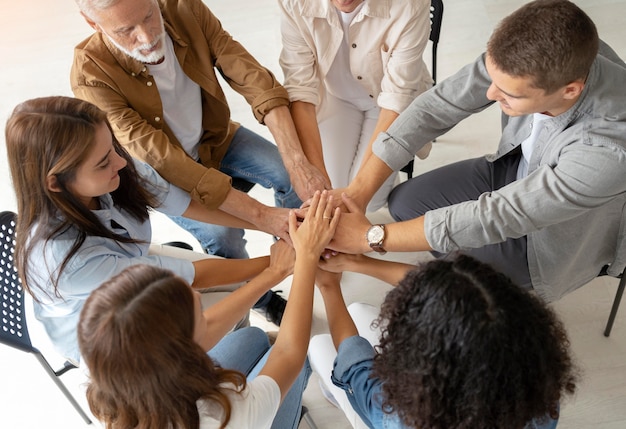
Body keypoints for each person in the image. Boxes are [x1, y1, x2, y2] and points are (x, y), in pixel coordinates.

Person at [326, 0, 626, 302]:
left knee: (462, 285)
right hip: (516, 168)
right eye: (493, 79)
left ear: (570, 90)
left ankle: (487, 292)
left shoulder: (607, 150)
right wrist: (358, 193)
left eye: (508, 94)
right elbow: (438, 105)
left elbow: (500, 215)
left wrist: (371, 238)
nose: (491, 94)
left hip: (551, 243)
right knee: (405, 203)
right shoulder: (551, 50)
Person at [5, 96, 290, 362]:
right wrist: (281, 264)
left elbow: (185, 204)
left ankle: (237, 345)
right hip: (107, 335)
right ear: (55, 183)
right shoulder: (66, 260)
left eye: (113, 148)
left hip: (131, 265)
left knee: (236, 294)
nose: (120, 162)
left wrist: (269, 220)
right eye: (104, 163)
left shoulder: (110, 168)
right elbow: (192, 276)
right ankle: (227, 359)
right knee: (228, 303)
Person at [70, 0, 329, 261]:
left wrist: (297, 162)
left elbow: (253, 78)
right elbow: (160, 157)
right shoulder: (90, 75)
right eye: (126, 31)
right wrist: (261, 215)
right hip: (167, 174)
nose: (147, 37)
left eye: (149, 15)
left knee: (290, 173)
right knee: (223, 235)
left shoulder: (186, 8)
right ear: (93, 23)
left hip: (218, 139)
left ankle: (298, 256)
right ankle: (260, 295)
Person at [77, 191, 341, 429]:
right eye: (197, 312)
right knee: (299, 360)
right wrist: (306, 257)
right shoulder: (221, 418)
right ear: (182, 353)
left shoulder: (103, 356)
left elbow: (207, 328)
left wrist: (276, 271)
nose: (196, 292)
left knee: (253, 338)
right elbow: (289, 352)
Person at [312, 254, 578, 428]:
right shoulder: (541, 389)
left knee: (319, 345)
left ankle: (337, 395)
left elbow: (355, 365)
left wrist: (328, 286)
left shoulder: (398, 416)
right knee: (358, 311)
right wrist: (357, 262)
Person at [278, 0, 433, 213]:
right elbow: (300, 88)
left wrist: (359, 192)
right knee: (331, 191)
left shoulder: (411, 3)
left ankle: (385, 178)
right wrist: (319, 183)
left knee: (369, 200)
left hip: (387, 104)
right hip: (335, 98)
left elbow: (397, 98)